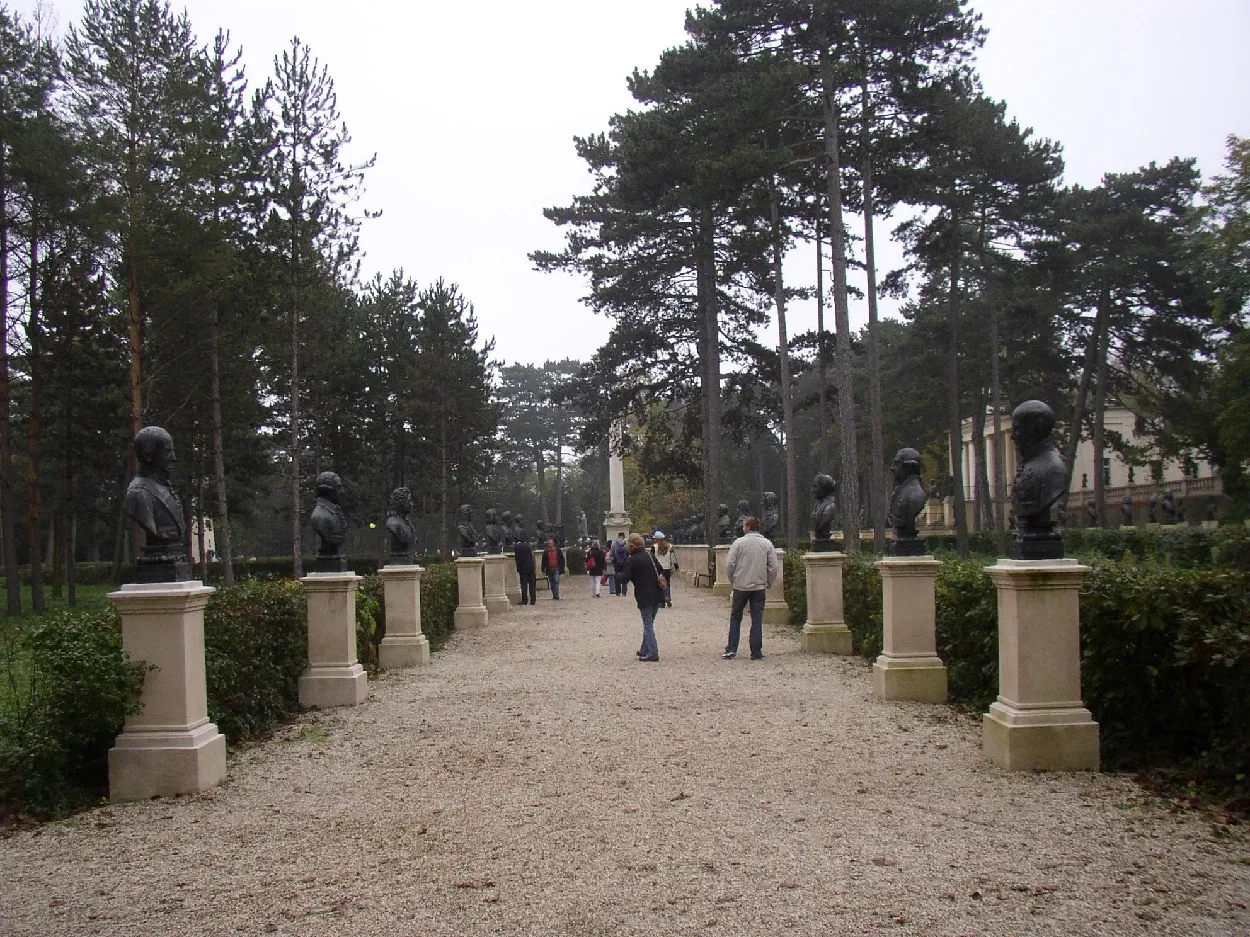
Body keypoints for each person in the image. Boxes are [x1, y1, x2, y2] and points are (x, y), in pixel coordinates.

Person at [722, 516, 779, 660]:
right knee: (757, 619)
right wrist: (768, 582)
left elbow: (729, 565)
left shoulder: (738, 543)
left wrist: (733, 580)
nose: (743, 528)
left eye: (744, 526)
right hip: (759, 586)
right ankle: (756, 651)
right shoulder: (767, 544)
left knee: (736, 617)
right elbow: (773, 566)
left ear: (748, 527)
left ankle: (732, 648)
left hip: (740, 586)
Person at [616, 532, 665, 662]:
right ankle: (645, 649)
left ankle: (653, 652)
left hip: (644, 595)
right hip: (657, 592)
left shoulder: (632, 560)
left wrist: (617, 573)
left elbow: (624, 578)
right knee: (649, 622)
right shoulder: (649, 555)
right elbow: (660, 569)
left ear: (632, 545)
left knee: (648, 624)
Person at [651, 530, 675, 608]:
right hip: (667, 568)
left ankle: (661, 601)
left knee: (659, 584)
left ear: (656, 539)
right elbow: (673, 558)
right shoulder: (670, 546)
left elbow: (652, 558)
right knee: (667, 583)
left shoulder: (654, 547)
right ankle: (667, 596)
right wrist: (676, 566)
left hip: (658, 568)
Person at [514, 531, 536, 605]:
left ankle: (525, 600)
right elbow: (531, 556)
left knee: (524, 585)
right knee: (532, 585)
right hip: (530, 567)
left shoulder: (517, 547)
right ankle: (533, 600)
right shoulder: (527, 546)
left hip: (523, 569)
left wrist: (518, 569)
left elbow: (517, 559)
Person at [610, 531, 629, 597]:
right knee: (624, 576)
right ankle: (624, 592)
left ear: (618, 536)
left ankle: (618, 592)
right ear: (623, 536)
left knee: (617, 576)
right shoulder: (626, 544)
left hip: (616, 562)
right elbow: (628, 552)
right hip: (624, 562)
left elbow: (611, 554)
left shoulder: (614, 544)